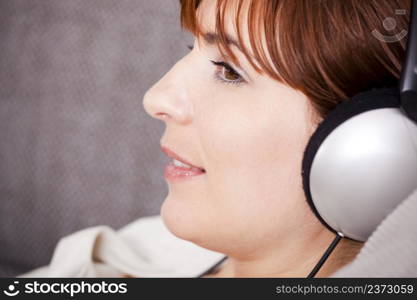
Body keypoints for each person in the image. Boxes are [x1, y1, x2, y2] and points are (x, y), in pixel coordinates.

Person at [21, 0, 410, 278]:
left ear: (376, 143)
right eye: (192, 48)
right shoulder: (138, 249)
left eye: (228, 71)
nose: (155, 98)